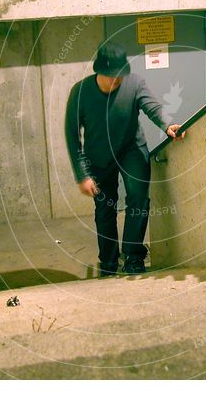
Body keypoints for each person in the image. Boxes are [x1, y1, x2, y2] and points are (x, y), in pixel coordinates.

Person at [64, 42, 186, 276]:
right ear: (98, 71)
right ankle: (109, 263)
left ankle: (133, 257)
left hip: (131, 150)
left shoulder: (135, 83)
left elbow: (153, 107)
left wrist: (167, 123)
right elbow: (72, 136)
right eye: (110, 77)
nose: (115, 82)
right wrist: (82, 174)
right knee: (104, 209)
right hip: (98, 157)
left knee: (138, 201)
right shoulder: (80, 92)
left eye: (119, 76)